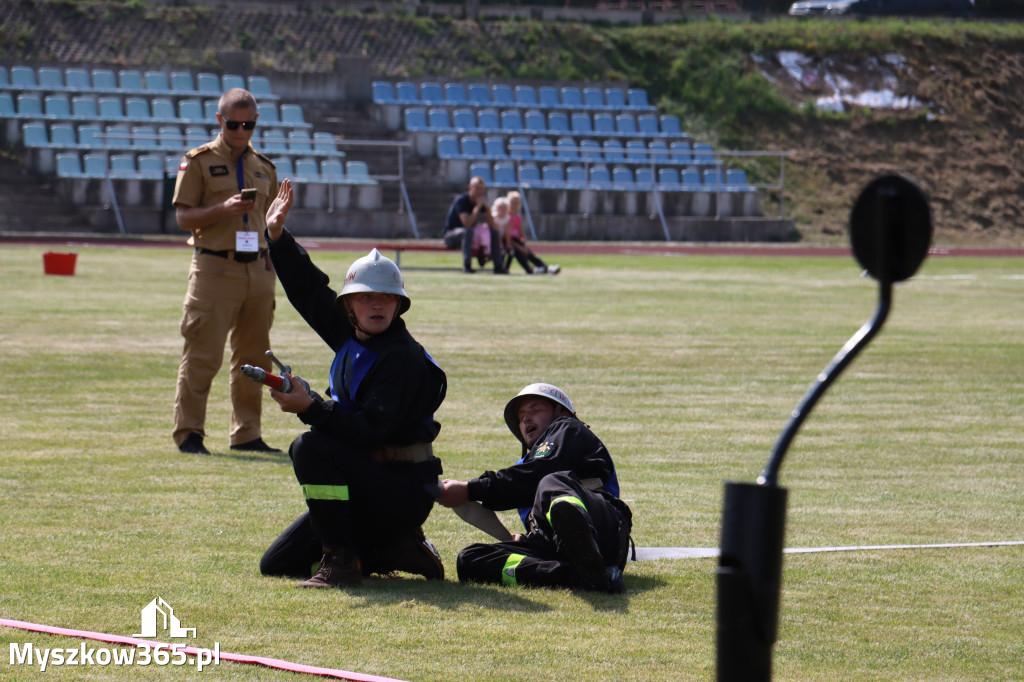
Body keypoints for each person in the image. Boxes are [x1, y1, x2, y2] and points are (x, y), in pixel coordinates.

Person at [259, 179, 447, 588]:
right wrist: (277, 237)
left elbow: (367, 431)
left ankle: (344, 561)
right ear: (349, 306)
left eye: (385, 297)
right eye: (364, 297)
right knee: (277, 564)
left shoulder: (404, 360)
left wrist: (309, 407)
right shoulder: (351, 333)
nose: (376, 304)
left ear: (398, 305)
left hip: (402, 492)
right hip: (365, 479)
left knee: (308, 446)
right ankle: (389, 549)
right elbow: (309, 290)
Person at [438, 383, 632, 593]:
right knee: (470, 559)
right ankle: (580, 577)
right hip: (554, 546)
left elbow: (539, 473)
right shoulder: (525, 470)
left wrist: (470, 490)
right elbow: (525, 482)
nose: (525, 419)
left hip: (603, 531)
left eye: (535, 410)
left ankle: (587, 553)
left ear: (563, 412)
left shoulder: (568, 428)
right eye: (521, 416)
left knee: (551, 481)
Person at [171, 87, 280, 455]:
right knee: (203, 354)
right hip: (215, 268)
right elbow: (183, 216)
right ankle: (189, 433)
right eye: (234, 124)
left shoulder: (264, 167)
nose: (241, 131)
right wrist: (223, 209)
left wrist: (272, 259)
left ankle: (247, 433)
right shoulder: (198, 161)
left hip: (258, 270)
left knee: (254, 357)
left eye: (248, 124)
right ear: (220, 120)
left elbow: (273, 221)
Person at [442, 176, 507, 274]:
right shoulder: (461, 200)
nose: (479, 192)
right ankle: (467, 266)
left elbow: (492, 224)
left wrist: (486, 207)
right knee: (468, 231)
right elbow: (467, 223)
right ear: (470, 188)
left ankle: (498, 266)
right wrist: (478, 207)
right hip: (451, 236)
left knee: (493, 232)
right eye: (476, 188)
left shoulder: (480, 202)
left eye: (481, 189)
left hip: (469, 236)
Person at [501, 191, 560, 275]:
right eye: (512, 203)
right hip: (508, 241)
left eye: (516, 203)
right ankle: (534, 269)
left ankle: (544, 267)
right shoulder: (506, 216)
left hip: (516, 240)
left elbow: (521, 233)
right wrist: (519, 246)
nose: (514, 205)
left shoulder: (517, 217)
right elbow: (505, 235)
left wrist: (524, 244)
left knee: (528, 253)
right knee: (518, 251)